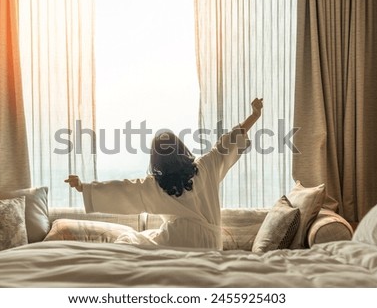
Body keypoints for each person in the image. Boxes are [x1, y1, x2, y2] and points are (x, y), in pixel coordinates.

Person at [65, 98, 263, 250]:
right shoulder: (206, 166)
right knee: (145, 236)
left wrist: (85, 187)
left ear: (156, 160)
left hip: (178, 240)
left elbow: (123, 189)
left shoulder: (156, 185)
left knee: (129, 239)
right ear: (180, 147)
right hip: (211, 243)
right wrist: (254, 115)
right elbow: (227, 142)